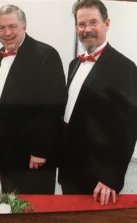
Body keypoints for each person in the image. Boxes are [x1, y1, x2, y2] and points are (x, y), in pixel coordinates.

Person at [58, 0, 137, 205]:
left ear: (107, 23)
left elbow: (128, 129)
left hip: (97, 177)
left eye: (93, 22)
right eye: (81, 24)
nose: (87, 29)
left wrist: (110, 178)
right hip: (69, 168)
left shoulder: (125, 67)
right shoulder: (74, 64)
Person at [0, 5, 66, 194]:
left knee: (35, 203)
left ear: (24, 26)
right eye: (1, 28)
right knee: (10, 199)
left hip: (33, 151)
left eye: (12, 26)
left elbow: (52, 107)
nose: (7, 33)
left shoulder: (46, 54)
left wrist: (40, 150)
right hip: (5, 145)